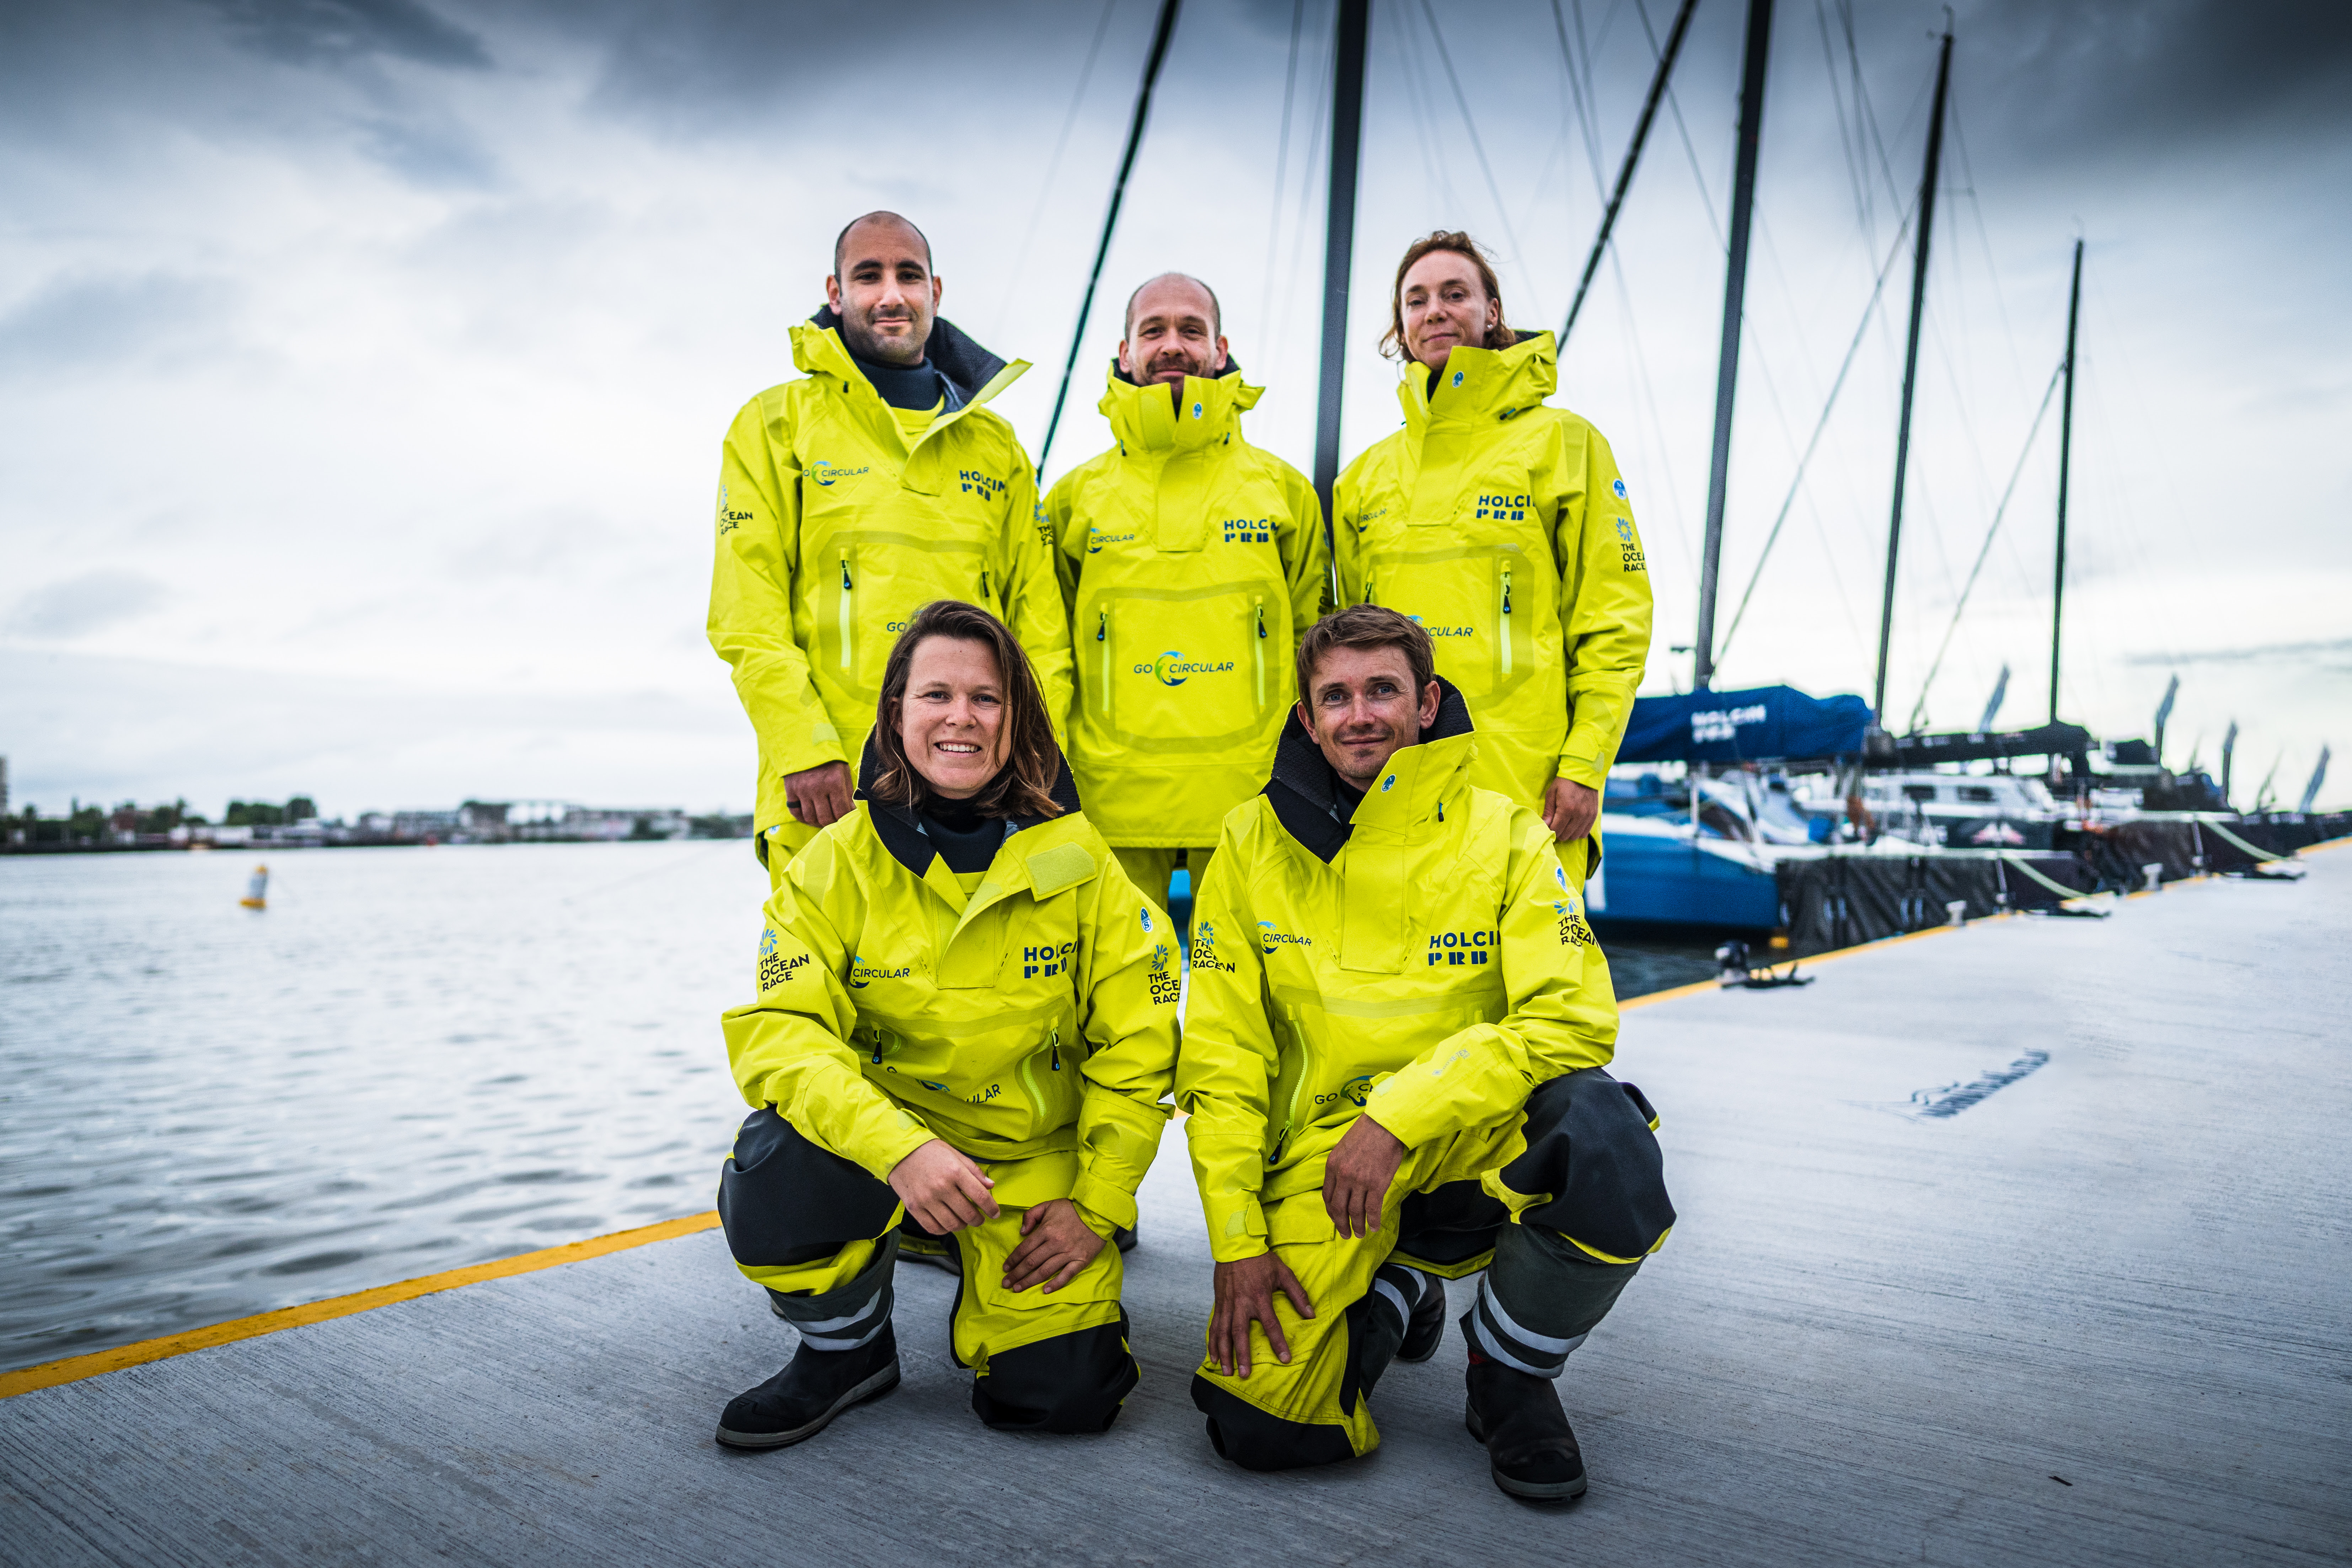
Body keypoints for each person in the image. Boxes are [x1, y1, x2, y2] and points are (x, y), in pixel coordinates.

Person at [1176, 605, 1673, 1499]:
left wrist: (1399, 1117)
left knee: (1606, 1138)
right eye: (1335, 696)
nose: (1359, 714)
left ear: (1428, 700)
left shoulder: (1510, 833)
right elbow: (1221, 1058)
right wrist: (1237, 1238)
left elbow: (1571, 1020)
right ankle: (1402, 1282)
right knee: (1262, 1428)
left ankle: (1510, 1373)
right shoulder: (1248, 843)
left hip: (1469, 1127)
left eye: (1382, 691)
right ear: (1306, 717)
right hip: (1326, 1161)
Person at [712, 600, 1176, 1449]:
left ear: (1017, 720)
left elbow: (1140, 1048)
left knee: (1064, 1403)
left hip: (1031, 1168)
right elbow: (784, 1037)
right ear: (896, 715)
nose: (961, 717)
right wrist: (900, 1149)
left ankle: (992, 1280)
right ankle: (847, 1347)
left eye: (987, 698)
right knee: (774, 1174)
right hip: (889, 1156)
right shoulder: (830, 864)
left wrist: (1097, 1205)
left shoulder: (1086, 865)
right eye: (935, 695)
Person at [709, 210, 1073, 892]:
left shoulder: (997, 448)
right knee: (820, 988)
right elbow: (746, 615)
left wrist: (1027, 759)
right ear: (835, 292)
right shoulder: (775, 425)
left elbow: (1040, 628)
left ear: (936, 291)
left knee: (980, 991)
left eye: (908, 275)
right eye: (867, 275)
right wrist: (803, 747)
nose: (890, 294)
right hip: (830, 786)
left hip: (977, 779)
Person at [1333, 230, 1652, 890]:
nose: (1436, 310)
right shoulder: (1362, 479)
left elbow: (1613, 621)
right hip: (1397, 789)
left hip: (1529, 784)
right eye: (1416, 300)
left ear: (1492, 312)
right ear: (1401, 325)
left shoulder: (1565, 444)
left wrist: (1584, 765)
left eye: (1456, 294)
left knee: (1548, 983)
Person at [1044, 272, 1328, 919]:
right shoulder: (1071, 501)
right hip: (1106, 802)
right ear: (1124, 353)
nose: (1173, 344)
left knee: (1250, 1002)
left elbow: (1317, 647)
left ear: (1220, 349)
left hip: (1255, 800)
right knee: (1110, 1001)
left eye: (1191, 330)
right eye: (1154, 330)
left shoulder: (1284, 494)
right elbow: (1047, 649)